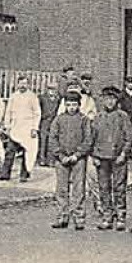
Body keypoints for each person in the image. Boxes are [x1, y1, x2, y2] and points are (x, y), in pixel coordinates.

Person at [47, 90, 93, 231]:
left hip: (78, 159)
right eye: (69, 105)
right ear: (65, 105)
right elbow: (52, 138)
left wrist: (78, 154)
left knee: (78, 189)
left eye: (74, 104)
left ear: (79, 105)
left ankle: (79, 217)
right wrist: (60, 155)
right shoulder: (59, 119)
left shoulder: (84, 120)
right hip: (62, 159)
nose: (71, 107)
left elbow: (88, 139)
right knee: (61, 188)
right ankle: (62, 215)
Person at [90, 86, 132, 230]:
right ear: (102, 100)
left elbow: (129, 138)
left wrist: (123, 154)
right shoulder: (98, 117)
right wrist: (94, 155)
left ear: (117, 100)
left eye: (113, 99)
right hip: (102, 157)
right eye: (107, 99)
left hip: (118, 157)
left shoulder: (123, 116)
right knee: (104, 187)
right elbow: (91, 138)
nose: (109, 102)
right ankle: (107, 215)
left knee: (119, 187)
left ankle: (121, 215)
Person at [0, 74, 41, 181]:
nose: (23, 85)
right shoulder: (13, 96)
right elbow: (8, 112)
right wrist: (7, 125)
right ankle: (5, 174)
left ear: (28, 85)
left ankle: (24, 175)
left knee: (27, 151)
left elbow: (37, 113)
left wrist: (34, 128)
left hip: (27, 128)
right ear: (17, 84)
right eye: (21, 83)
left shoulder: (32, 97)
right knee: (9, 151)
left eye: (25, 83)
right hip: (15, 128)